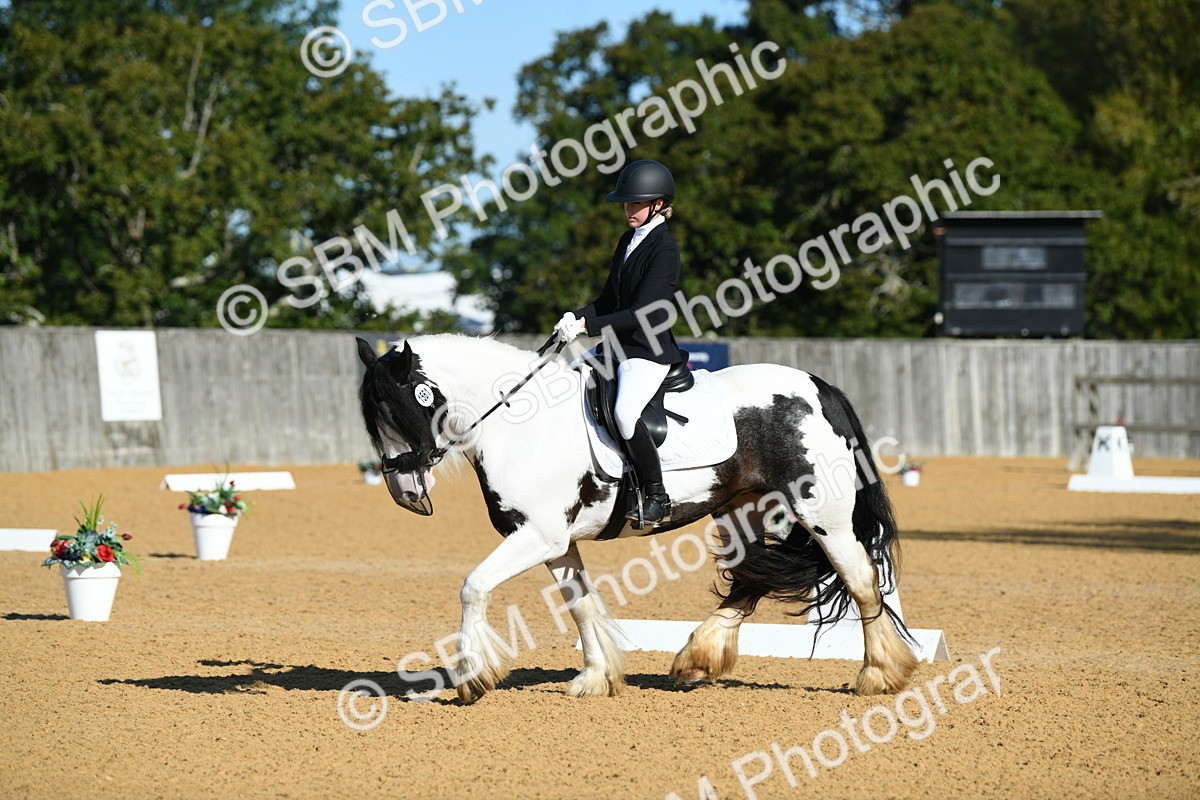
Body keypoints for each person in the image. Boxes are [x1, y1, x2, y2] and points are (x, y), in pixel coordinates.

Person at [553, 159, 683, 524]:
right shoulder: (628, 240)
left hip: (647, 350)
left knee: (626, 414)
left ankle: (656, 496)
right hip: (617, 346)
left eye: (636, 203)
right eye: (626, 203)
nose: (629, 208)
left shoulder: (664, 250)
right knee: (565, 382)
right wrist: (575, 315)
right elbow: (610, 300)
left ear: (658, 204)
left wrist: (586, 325)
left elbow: (644, 313)